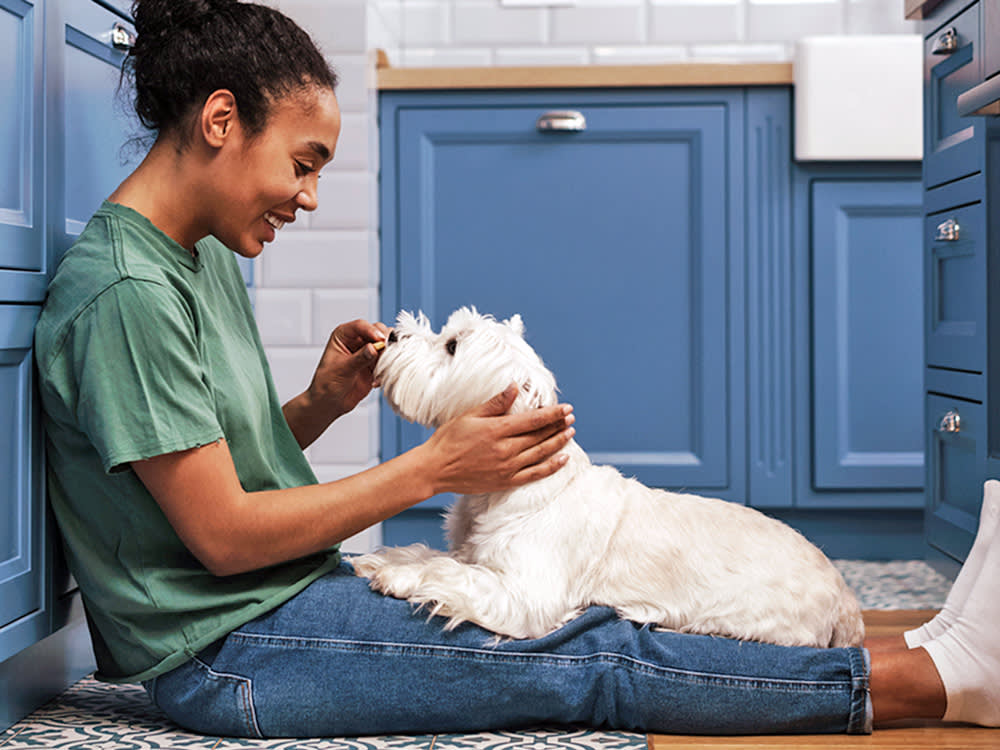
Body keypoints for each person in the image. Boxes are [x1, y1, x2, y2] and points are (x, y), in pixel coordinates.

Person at [33, 0, 999, 738]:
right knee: (583, 653)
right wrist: (439, 466)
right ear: (218, 121)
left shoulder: (194, 255)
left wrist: (316, 409)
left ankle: (892, 646)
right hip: (229, 653)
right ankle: (918, 682)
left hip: (276, 600)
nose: (310, 196)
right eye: (304, 160)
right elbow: (225, 537)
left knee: (577, 607)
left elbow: (203, 470)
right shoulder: (127, 292)